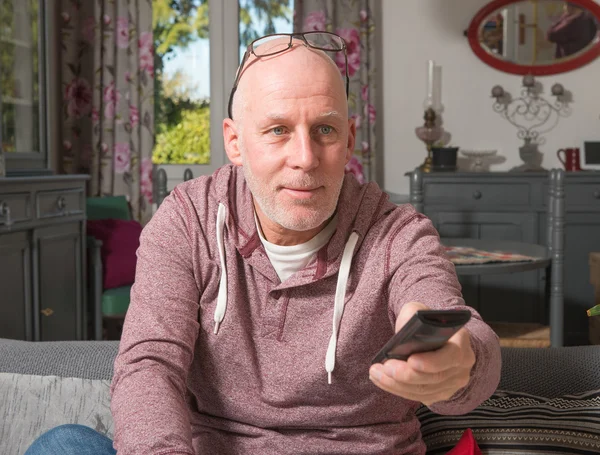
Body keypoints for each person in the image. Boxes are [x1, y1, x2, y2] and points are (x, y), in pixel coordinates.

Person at [25, 32, 501, 455]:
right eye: (278, 131)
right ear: (235, 141)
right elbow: (149, 363)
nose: (305, 158)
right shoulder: (186, 219)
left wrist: (459, 362)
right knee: (61, 445)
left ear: (350, 138)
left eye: (325, 130)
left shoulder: (400, 232)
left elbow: (465, 336)